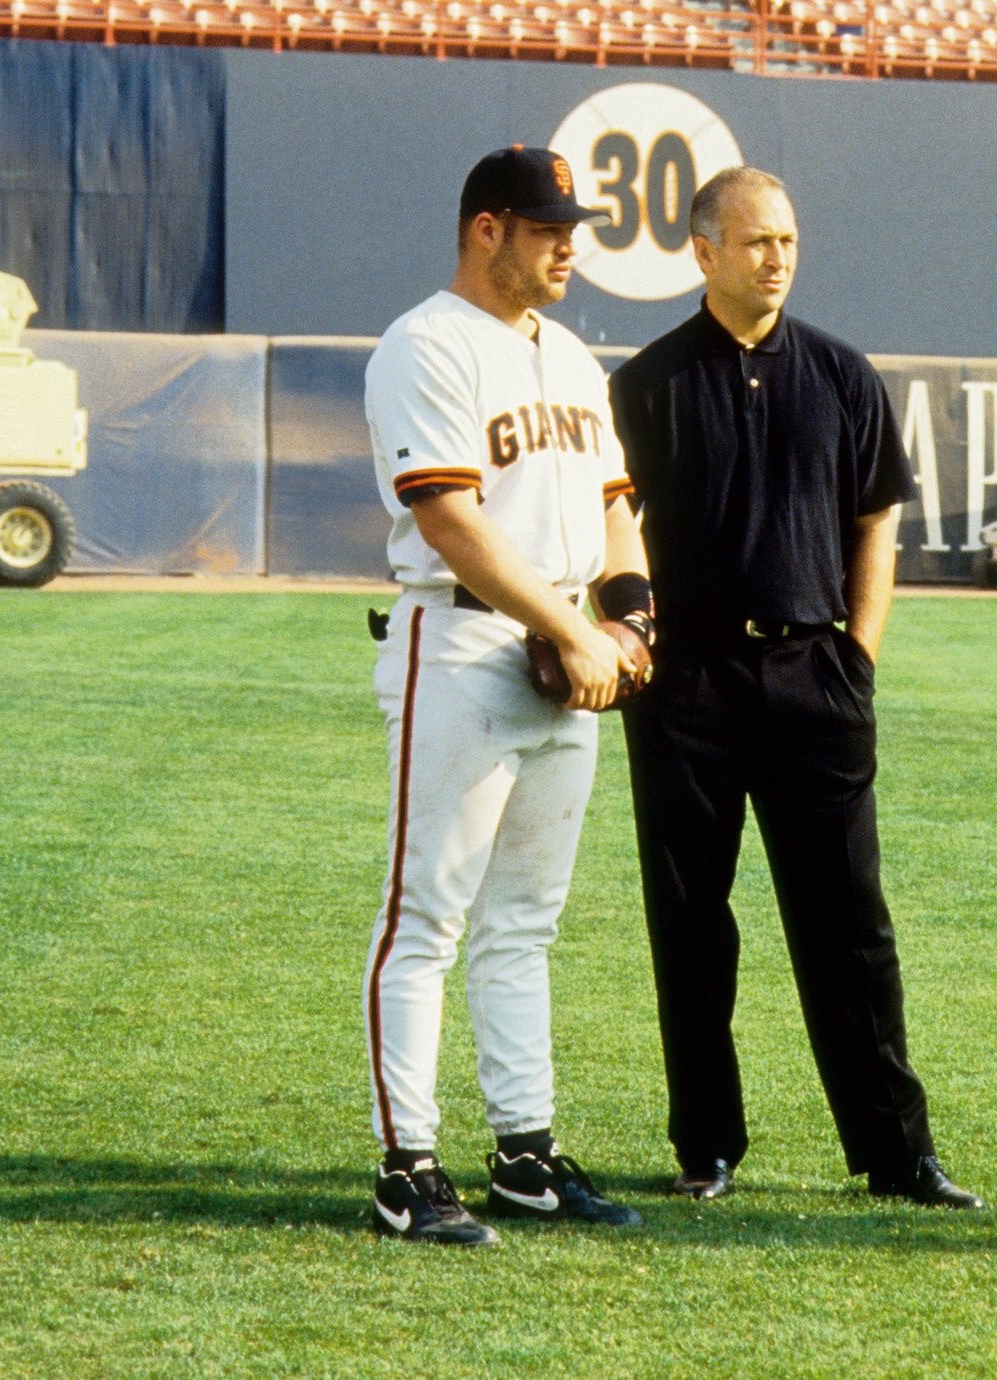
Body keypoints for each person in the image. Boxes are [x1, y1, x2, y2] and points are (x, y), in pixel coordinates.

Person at [606, 166, 982, 1210]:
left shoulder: (843, 375)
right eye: (755, 240)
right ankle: (705, 1147)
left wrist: (856, 654)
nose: (775, 256)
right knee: (690, 922)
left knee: (850, 925)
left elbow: (875, 520)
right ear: (703, 253)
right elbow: (610, 527)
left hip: (815, 677)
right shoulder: (644, 385)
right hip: (688, 685)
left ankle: (896, 1155)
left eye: (787, 240)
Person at [359, 146, 654, 1246]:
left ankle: (524, 1154)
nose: (567, 242)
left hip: (567, 649)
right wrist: (574, 629)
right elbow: (449, 519)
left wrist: (629, 619)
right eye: (545, 226)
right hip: (463, 641)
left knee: (524, 925)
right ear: (486, 230)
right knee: (424, 920)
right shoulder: (424, 344)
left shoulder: (575, 358)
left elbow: (617, 503)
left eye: (570, 223)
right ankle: (407, 1168)